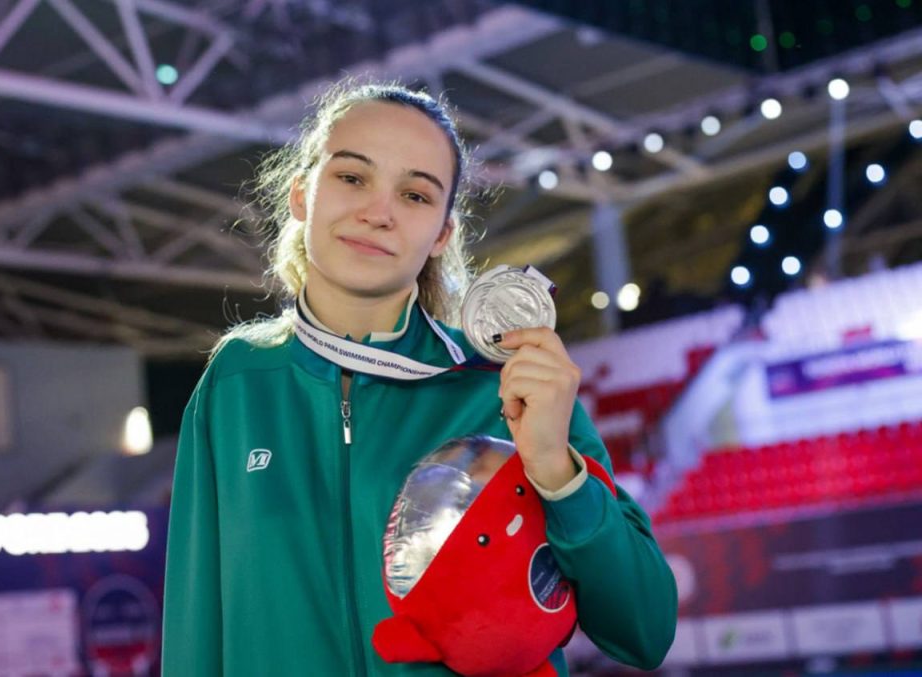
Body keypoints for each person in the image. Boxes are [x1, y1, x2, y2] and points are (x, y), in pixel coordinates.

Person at [161, 80, 677, 676]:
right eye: (352, 177)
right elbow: (195, 626)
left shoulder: (501, 386)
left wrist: (558, 475)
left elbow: (645, 630)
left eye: (414, 195)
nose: (377, 213)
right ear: (302, 194)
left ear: (441, 235)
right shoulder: (238, 381)